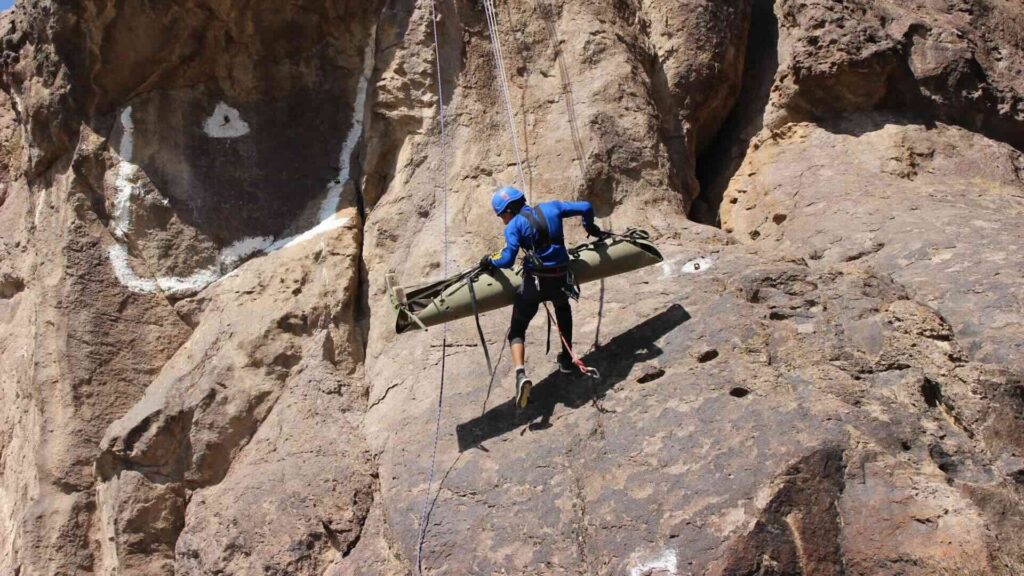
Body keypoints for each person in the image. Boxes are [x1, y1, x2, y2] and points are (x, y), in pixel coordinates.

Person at [479, 186, 604, 409]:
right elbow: (586, 206)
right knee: (562, 308)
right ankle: (567, 361)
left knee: (517, 330)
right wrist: (590, 227)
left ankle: (520, 375)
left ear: (507, 211)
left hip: (535, 284)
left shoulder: (514, 226)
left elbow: (507, 259)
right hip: (560, 279)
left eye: (501, 216)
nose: (503, 220)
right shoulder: (553, 207)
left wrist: (490, 261)